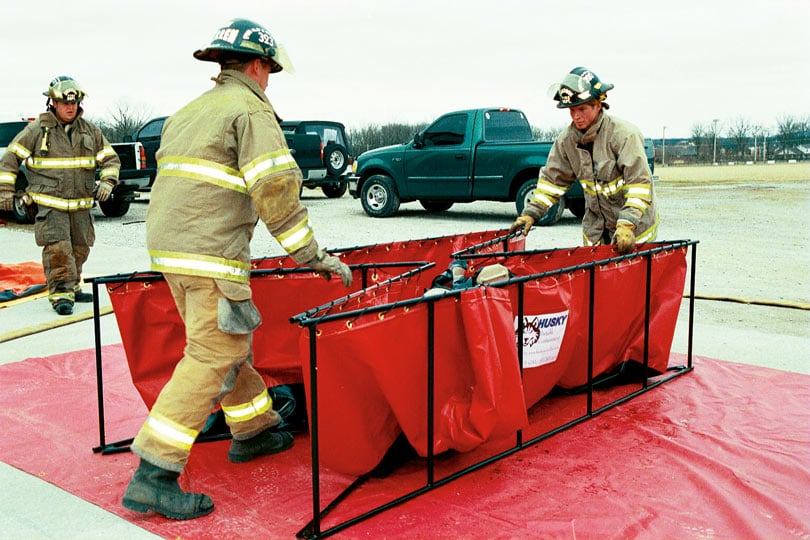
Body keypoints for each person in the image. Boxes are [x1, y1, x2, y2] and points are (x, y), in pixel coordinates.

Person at [121, 18, 353, 520]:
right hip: (210, 254)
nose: (269, 79)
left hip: (173, 252)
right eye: (269, 69)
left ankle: (255, 431)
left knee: (227, 342)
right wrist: (314, 258)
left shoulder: (191, 110)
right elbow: (275, 193)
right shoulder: (250, 109)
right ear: (256, 65)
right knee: (211, 353)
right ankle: (153, 474)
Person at [0, 76, 120, 315]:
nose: (70, 107)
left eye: (74, 103)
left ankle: (73, 286)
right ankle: (60, 294)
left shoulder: (90, 131)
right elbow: (10, 158)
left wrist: (108, 181)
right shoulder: (38, 130)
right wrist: (5, 191)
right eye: (64, 102)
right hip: (50, 206)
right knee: (59, 249)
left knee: (81, 247)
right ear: (53, 103)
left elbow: (110, 159)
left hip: (81, 207)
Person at [510, 67, 658, 254]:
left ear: (598, 105)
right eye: (572, 110)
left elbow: (639, 184)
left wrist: (627, 223)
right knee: (598, 282)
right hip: (596, 230)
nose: (576, 116)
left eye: (582, 109)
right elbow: (552, 183)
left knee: (634, 282)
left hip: (633, 230)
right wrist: (531, 213)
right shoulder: (566, 142)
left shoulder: (624, 136)